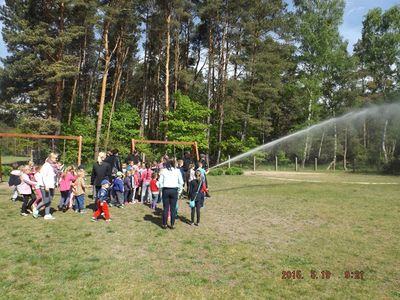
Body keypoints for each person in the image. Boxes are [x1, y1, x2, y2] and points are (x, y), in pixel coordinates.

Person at [33, 153, 60, 220]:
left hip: (51, 185)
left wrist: (56, 183)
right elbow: (43, 176)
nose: (56, 159)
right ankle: (36, 209)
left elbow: (53, 175)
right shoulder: (46, 165)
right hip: (45, 186)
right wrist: (46, 185)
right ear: (50, 158)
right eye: (55, 158)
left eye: (57, 158)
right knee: (46, 201)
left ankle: (47, 214)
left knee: (49, 200)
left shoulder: (53, 166)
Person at [158, 159, 183, 229]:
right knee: (173, 208)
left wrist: (160, 190)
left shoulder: (164, 171)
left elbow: (160, 182)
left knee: (165, 208)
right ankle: (172, 224)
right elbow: (181, 182)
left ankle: (164, 224)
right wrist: (180, 191)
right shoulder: (177, 171)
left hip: (166, 190)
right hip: (174, 190)